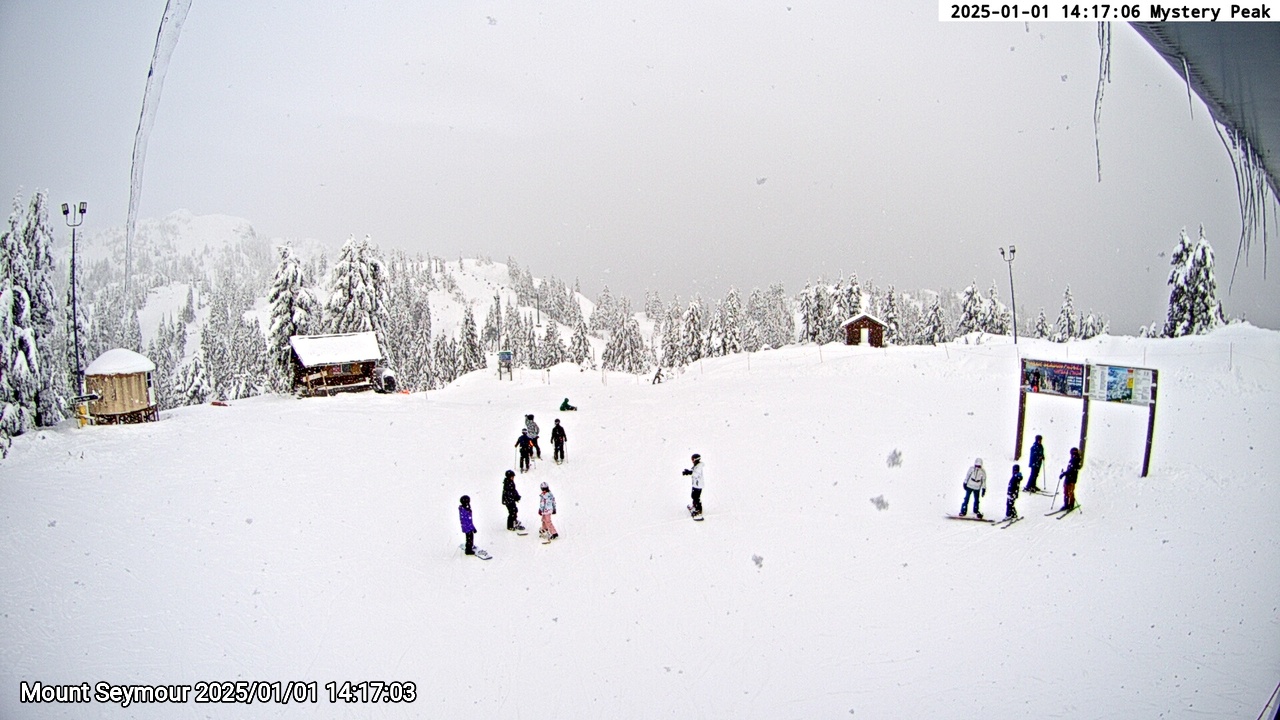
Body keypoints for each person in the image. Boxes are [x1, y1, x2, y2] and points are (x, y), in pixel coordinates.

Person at [682, 453, 705, 517]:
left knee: (696, 497)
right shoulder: (696, 465)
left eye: (692, 459)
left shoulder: (699, 467)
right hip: (695, 484)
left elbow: (696, 474)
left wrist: (689, 472)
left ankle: (698, 510)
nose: (692, 460)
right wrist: (688, 471)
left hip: (698, 485)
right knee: (693, 496)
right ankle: (694, 505)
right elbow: (693, 471)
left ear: (695, 459)